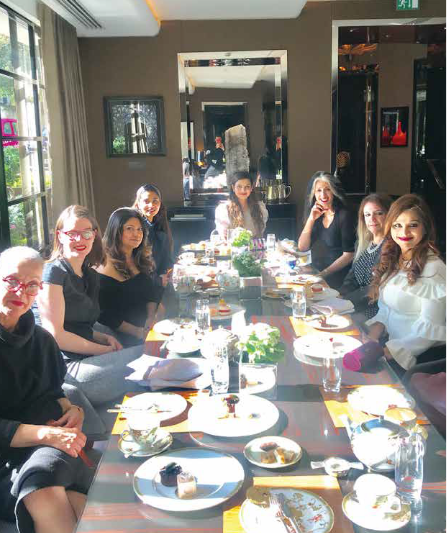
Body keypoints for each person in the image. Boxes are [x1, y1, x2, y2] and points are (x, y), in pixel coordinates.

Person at [0, 247, 91, 533]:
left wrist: (72, 409)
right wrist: (46, 434)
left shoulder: (41, 340)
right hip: (13, 459)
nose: (21, 291)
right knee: (58, 496)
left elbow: (52, 391)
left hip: (45, 449)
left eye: (31, 285)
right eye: (12, 280)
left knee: (61, 494)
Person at [35, 205, 145, 407]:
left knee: (152, 357)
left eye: (86, 233)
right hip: (68, 370)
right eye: (72, 233)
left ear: (94, 236)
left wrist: (103, 337)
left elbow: (79, 324)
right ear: (60, 236)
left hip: (87, 357)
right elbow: (56, 335)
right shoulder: (53, 273)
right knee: (151, 357)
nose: (80, 239)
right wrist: (102, 350)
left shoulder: (90, 275)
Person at [366, 194, 447, 372]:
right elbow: (388, 308)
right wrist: (374, 332)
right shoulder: (396, 259)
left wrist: (388, 351)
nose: (404, 233)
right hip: (390, 347)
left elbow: (429, 333)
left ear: (425, 228)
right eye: (397, 225)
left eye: (413, 225)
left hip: (418, 362)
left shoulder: (435, 269)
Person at [97, 208, 163, 347]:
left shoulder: (138, 257)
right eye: (129, 228)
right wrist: (139, 332)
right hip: (122, 338)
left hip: (147, 329)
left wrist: (151, 316)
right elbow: (105, 315)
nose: (136, 234)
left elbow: (151, 292)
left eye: (139, 229)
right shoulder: (105, 263)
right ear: (116, 231)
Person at [298, 171, 356, 289]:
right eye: (319, 190)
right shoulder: (317, 214)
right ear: (314, 193)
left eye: (327, 189)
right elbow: (302, 247)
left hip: (339, 276)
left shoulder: (344, 215)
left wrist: (323, 274)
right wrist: (311, 219)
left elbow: (349, 255)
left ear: (334, 191)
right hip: (320, 270)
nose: (323, 195)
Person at [340, 193, 393, 319]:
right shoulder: (362, 243)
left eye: (379, 213)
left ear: (389, 215)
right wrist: (340, 295)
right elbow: (352, 278)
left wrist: (344, 303)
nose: (372, 219)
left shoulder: (392, 248)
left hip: (375, 311)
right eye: (367, 215)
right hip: (352, 305)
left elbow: (375, 289)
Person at [133, 184, 173, 285]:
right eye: (146, 201)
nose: (151, 205)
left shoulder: (159, 224)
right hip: (144, 284)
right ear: (138, 204)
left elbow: (165, 257)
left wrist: (169, 272)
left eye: (155, 201)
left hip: (159, 281)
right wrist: (158, 280)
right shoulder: (136, 229)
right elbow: (136, 264)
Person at [215, 171, 269, 240]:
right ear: (233, 188)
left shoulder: (260, 207)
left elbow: (261, 232)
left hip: (254, 245)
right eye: (239, 186)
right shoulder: (223, 209)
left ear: (251, 188)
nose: (243, 190)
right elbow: (224, 235)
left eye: (247, 187)